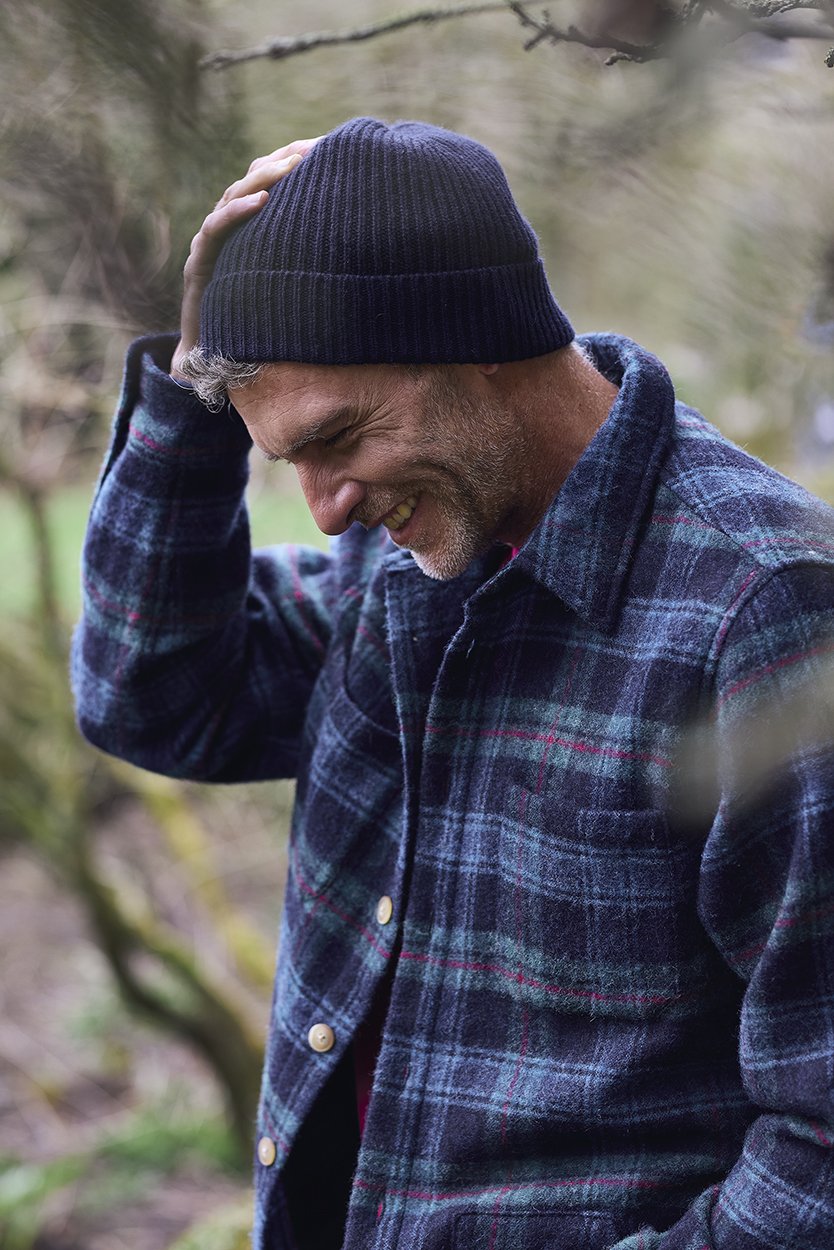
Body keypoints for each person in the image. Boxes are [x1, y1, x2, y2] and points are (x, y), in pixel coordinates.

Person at [72, 117, 834, 1250]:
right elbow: (155, 691)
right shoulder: (396, 560)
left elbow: (819, 1143)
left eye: (341, 436)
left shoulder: (765, 612)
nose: (323, 503)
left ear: (483, 338)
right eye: (291, 461)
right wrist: (191, 400)